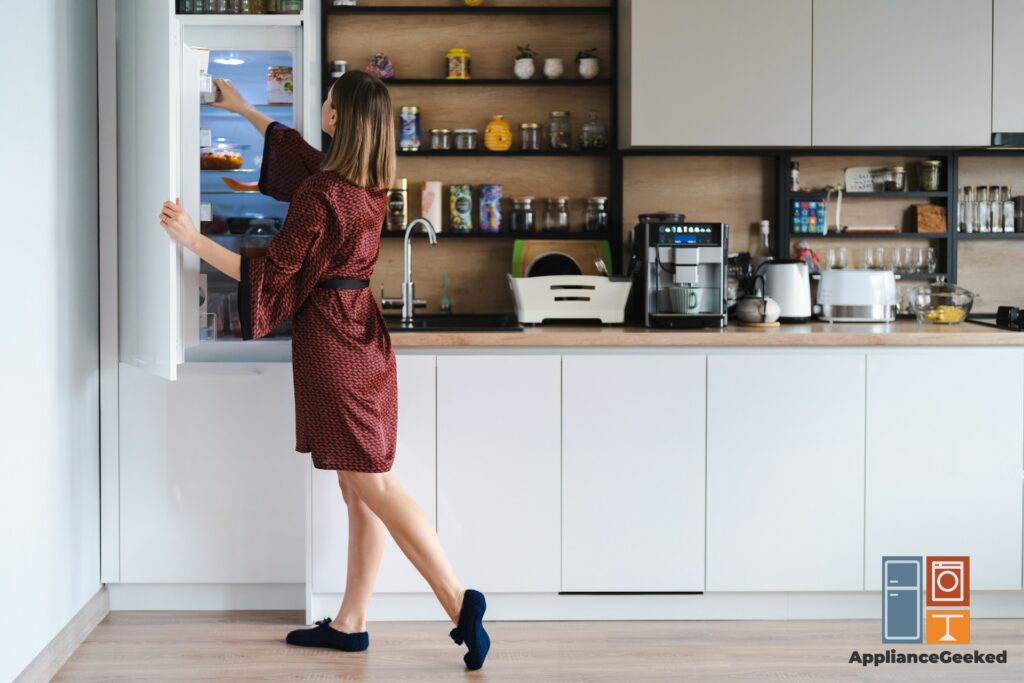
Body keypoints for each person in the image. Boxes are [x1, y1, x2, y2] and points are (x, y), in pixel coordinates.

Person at [158, 71, 490, 671]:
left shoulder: (322, 195)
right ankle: (351, 623)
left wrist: (192, 240)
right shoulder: (366, 183)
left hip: (333, 345)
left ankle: (458, 599)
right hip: (362, 335)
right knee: (356, 483)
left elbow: (272, 275)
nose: (322, 107)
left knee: (371, 483)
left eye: (329, 103)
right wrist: (246, 110)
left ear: (341, 118)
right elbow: (303, 158)